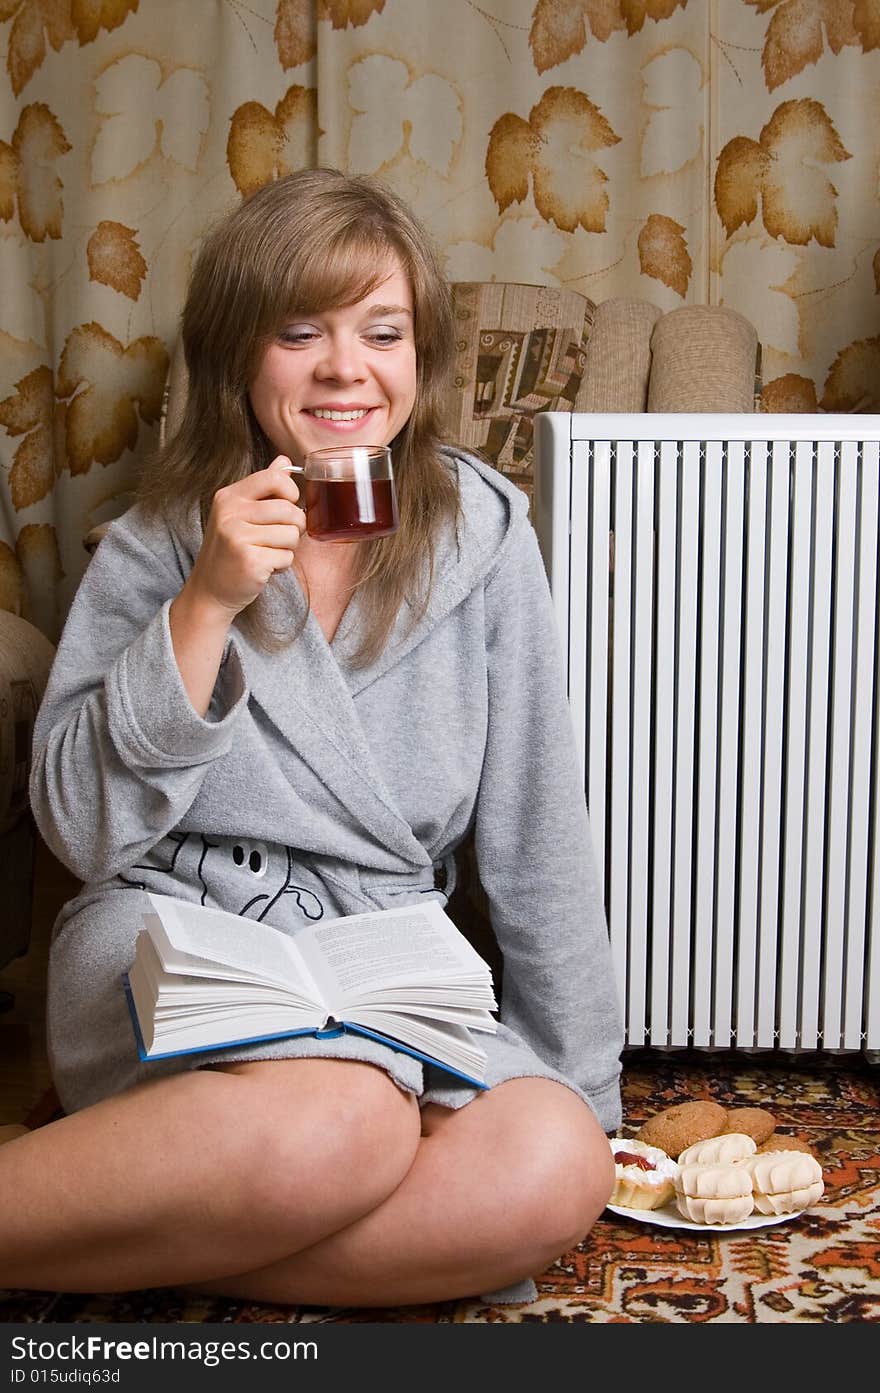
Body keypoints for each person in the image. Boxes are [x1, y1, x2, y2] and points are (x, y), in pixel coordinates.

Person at [10, 168, 623, 1306]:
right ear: (240, 355)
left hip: (384, 963)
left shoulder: (484, 539)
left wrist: (581, 1083)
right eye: (300, 332)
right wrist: (206, 602)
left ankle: (159, 1235)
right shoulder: (162, 542)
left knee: (554, 1156)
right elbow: (81, 832)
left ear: (420, 357)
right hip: (176, 944)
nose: (347, 368)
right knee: (343, 1111)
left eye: (381, 331)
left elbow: (538, 829)